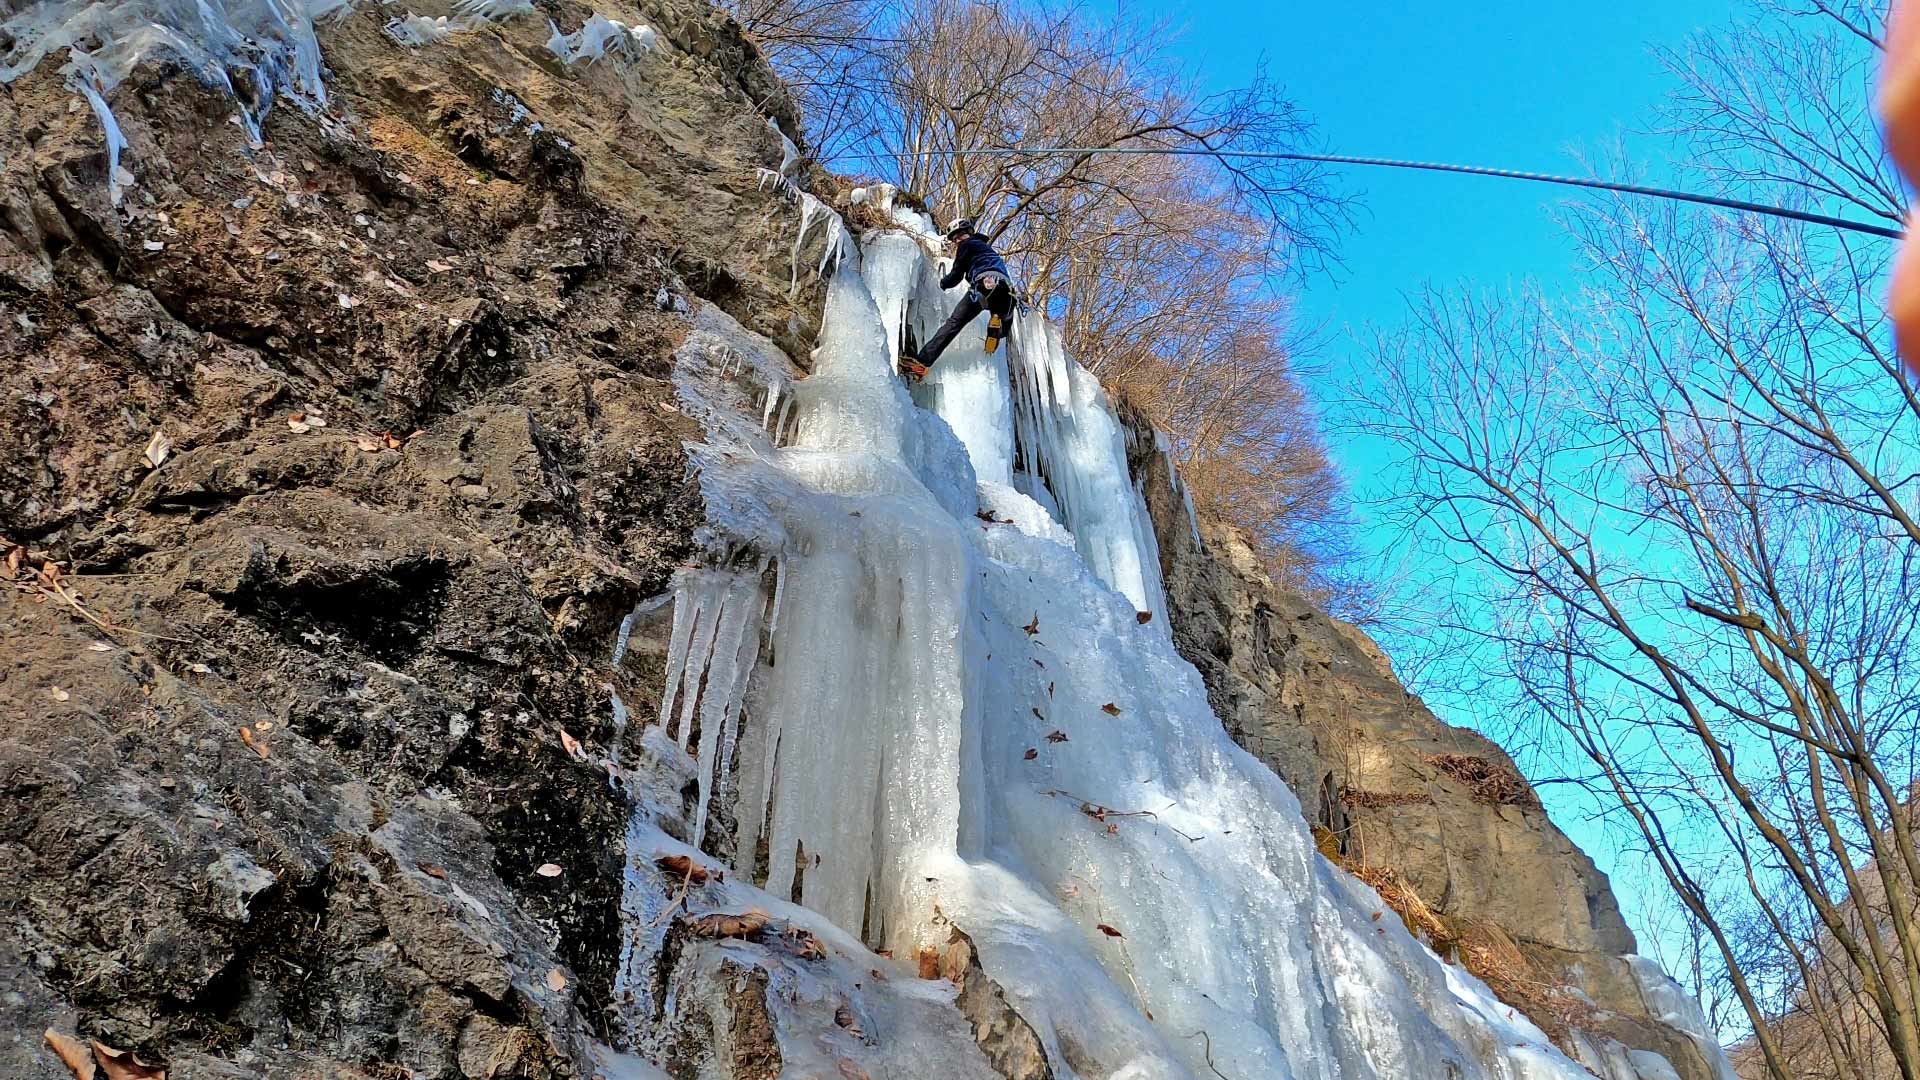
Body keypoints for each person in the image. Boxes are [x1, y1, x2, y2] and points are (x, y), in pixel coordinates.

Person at [899, 219, 1017, 380]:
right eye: (955, 238)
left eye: (960, 235)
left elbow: (956, 275)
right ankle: (996, 324)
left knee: (954, 323)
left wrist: (943, 283)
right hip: (1007, 294)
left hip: (984, 287)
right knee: (1003, 326)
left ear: (968, 234)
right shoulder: (988, 249)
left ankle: (922, 362)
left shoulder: (966, 245)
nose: (958, 240)